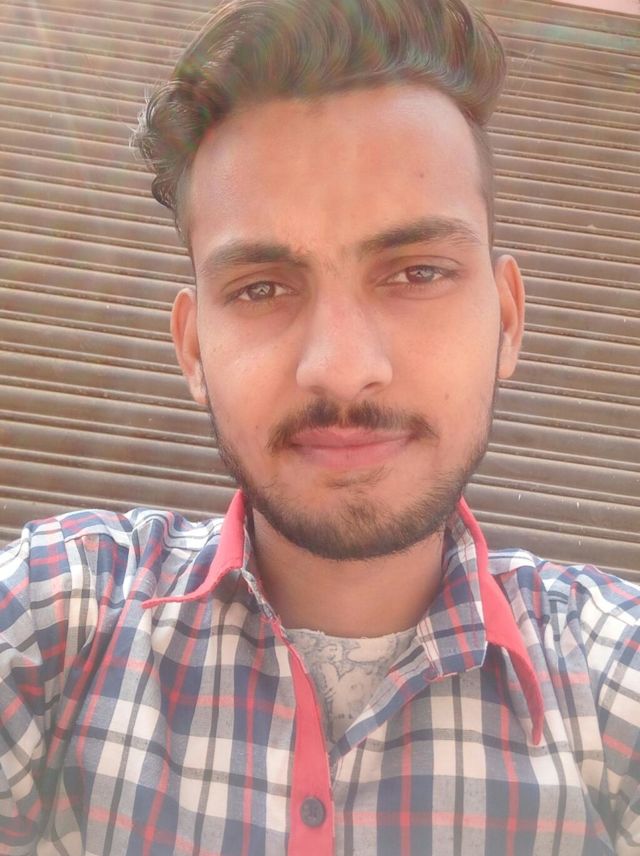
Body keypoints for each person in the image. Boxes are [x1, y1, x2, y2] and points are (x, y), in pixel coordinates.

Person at [1, 0, 638, 852]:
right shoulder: (53, 615)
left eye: (417, 272)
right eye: (262, 288)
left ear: (509, 320)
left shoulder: (612, 674)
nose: (341, 367)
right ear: (193, 349)